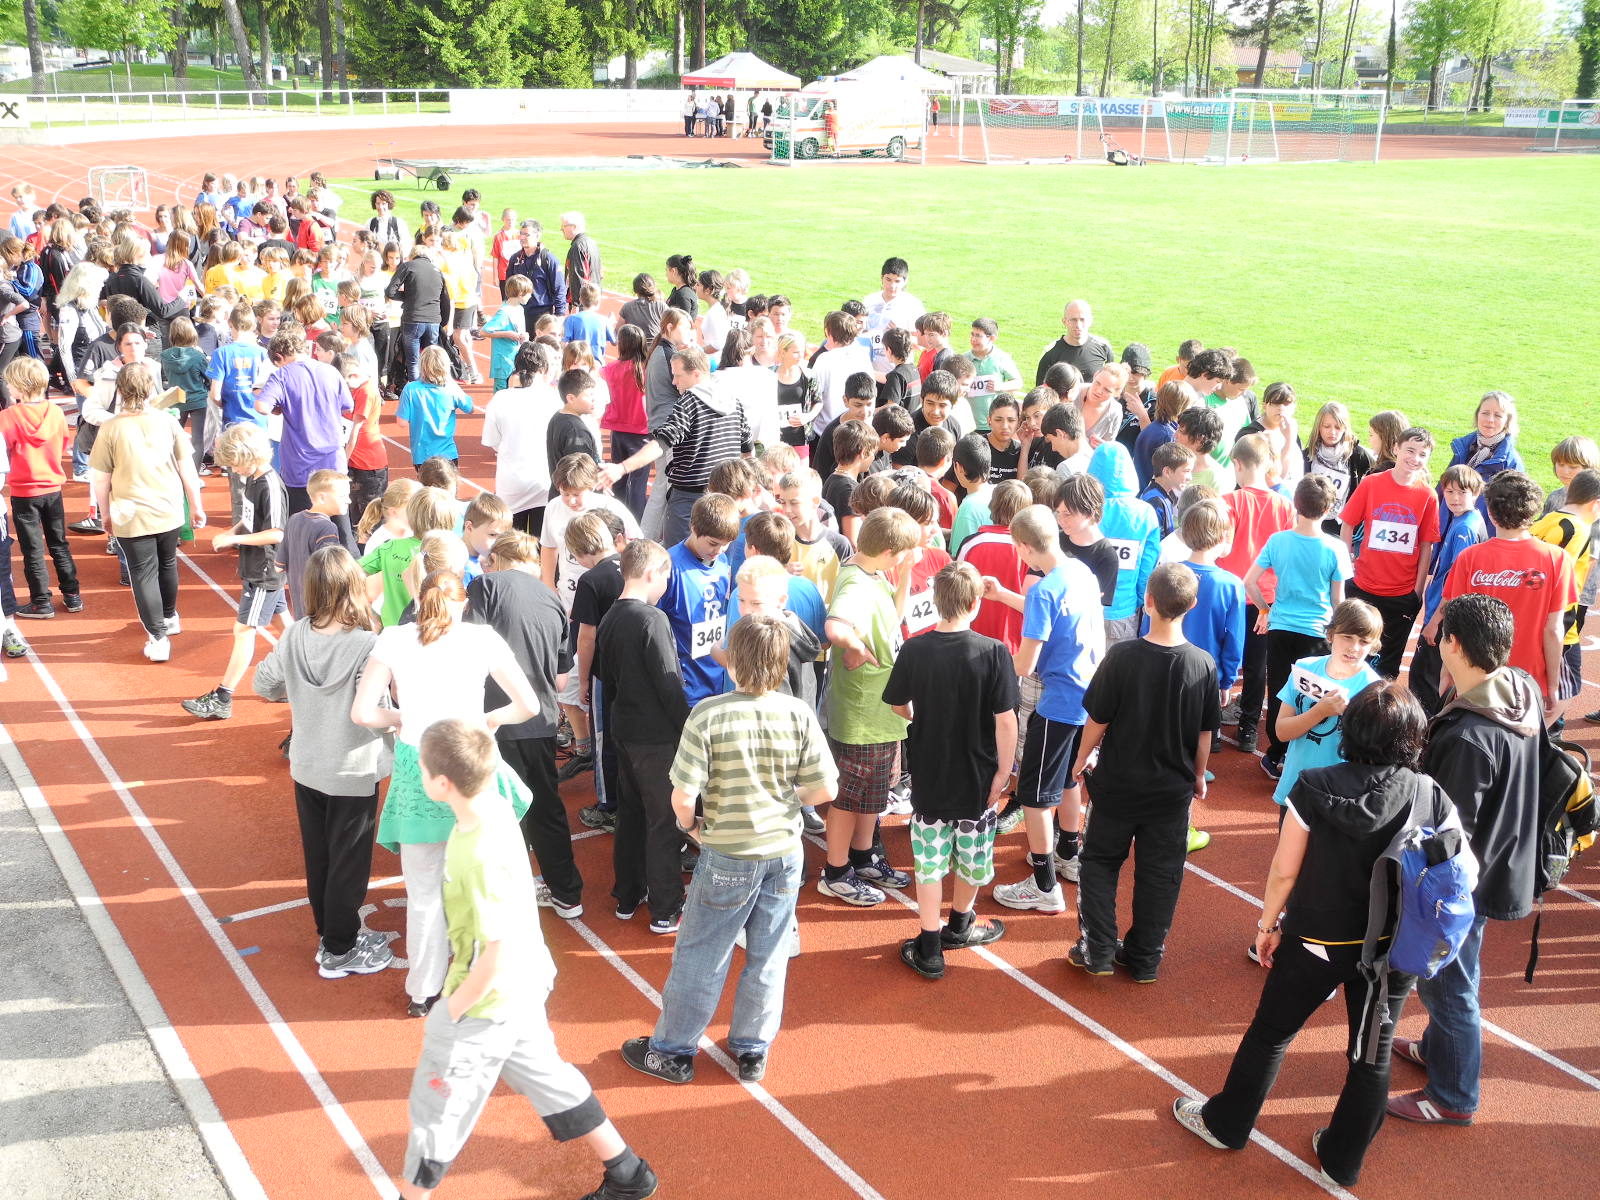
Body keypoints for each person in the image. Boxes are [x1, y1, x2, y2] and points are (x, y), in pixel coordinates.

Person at [1175, 681, 1472, 1188]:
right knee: (1370, 1057)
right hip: (1391, 948)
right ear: (1413, 737)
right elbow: (1457, 870)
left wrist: (1267, 925)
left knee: (1271, 1033)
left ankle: (1226, 1125)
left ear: (1350, 729)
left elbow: (1284, 871)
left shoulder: (1313, 785)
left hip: (1316, 940)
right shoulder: (1430, 794)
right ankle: (1342, 1159)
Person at [397, 719, 658, 1200]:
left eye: (424, 770)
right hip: (527, 980)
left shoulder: (477, 855)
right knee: (547, 1075)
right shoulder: (495, 805)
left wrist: (451, 1010)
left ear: (442, 783)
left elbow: (494, 950)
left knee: (436, 1111)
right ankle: (628, 1174)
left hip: (487, 1002)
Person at [620, 612, 836, 1087]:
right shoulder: (798, 712)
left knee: (701, 953)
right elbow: (825, 789)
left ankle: (672, 1052)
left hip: (727, 853)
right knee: (769, 953)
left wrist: (690, 827)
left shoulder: (708, 714)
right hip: (784, 851)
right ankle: (753, 1049)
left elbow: (682, 795)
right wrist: (786, 799)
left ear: (732, 661)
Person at [351, 571, 542, 1017]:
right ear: (464, 604)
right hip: (473, 770)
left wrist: (398, 719)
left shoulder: (394, 639)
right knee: (485, 888)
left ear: (418, 601)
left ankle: (423, 992)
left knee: (423, 894)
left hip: (420, 771)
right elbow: (529, 706)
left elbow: (362, 713)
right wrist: (492, 720)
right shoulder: (482, 639)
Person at [1388, 594, 1543, 1128]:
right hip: (1506, 857)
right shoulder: (1521, 688)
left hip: (1466, 883)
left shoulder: (1468, 738)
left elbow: (1448, 834)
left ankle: (1453, 1095)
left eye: (1440, 633)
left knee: (1447, 984)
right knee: (1461, 970)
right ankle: (1437, 1049)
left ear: (1453, 643)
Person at [252, 546, 394, 979]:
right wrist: (405, 720)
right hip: (352, 767)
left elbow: (264, 684)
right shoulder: (367, 643)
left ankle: (330, 935)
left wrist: (300, 693)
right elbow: (375, 711)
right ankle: (339, 948)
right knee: (349, 861)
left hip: (308, 762)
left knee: (320, 856)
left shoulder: (295, 634)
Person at [1070, 562, 1217, 980]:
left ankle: (1098, 948)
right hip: (1171, 794)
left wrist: (1080, 760)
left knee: (1099, 863)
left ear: (1147, 601)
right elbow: (1205, 734)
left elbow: (1098, 719)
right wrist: (1199, 775)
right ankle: (1145, 958)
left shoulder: (1122, 656)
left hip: (1117, 787)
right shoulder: (1203, 664)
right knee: (1161, 875)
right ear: (1192, 604)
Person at [886, 563, 1018, 978]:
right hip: (978, 776)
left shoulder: (915, 649)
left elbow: (898, 704)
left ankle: (929, 946)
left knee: (928, 861)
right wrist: (1003, 772)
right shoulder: (994, 652)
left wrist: (919, 717)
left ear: (935, 601)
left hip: (929, 774)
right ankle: (960, 924)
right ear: (976, 602)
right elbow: (1006, 720)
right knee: (973, 855)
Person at [992, 504, 1105, 911]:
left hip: (1057, 701)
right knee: (1070, 777)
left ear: (1024, 547)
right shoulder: (1081, 573)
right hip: (1089, 694)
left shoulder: (1042, 590)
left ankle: (1043, 886)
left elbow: (1025, 664)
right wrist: (1002, 594)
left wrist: (991, 661)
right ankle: (1068, 854)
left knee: (1035, 795)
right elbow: (1053, 612)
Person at [464, 530, 582, 919]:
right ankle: (567, 893)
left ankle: (501, 895)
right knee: (546, 808)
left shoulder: (485, 587)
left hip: (495, 722)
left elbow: (467, 649)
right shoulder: (552, 598)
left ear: (498, 559)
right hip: (542, 721)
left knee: (495, 812)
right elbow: (562, 680)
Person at [817, 507, 921, 906]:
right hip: (862, 714)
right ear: (889, 550)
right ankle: (836, 871)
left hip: (880, 711)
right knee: (849, 798)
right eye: (904, 553)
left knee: (872, 797)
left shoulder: (873, 573)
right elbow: (835, 626)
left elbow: (894, 617)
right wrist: (856, 647)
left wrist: (906, 574)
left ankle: (863, 857)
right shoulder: (856, 585)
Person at [596, 539, 693, 933]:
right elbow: (670, 684)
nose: (667, 585)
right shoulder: (653, 620)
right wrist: (689, 728)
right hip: (655, 739)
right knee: (663, 822)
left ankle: (628, 893)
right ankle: (666, 907)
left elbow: (604, 676)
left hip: (624, 730)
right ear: (652, 573)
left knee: (632, 815)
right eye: (666, 577)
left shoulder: (610, 616)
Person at [88, 362, 205, 661]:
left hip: (129, 511)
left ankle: (157, 636)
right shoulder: (168, 422)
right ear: (151, 387)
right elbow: (187, 467)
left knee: (143, 573)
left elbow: (100, 478)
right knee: (167, 563)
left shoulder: (111, 428)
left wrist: (104, 514)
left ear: (120, 390)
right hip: (168, 505)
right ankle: (169, 617)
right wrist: (196, 505)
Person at [1436, 471, 1574, 718]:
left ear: (1490, 512)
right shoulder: (1557, 559)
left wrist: (1447, 673)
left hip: (1473, 677)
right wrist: (1553, 685)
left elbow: (1452, 623)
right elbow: (1554, 630)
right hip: (1528, 680)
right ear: (1534, 512)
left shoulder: (1470, 557)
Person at [1244, 475, 1353, 777]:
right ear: (1329, 508)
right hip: (1316, 634)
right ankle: (1305, 755)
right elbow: (1338, 599)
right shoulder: (1336, 548)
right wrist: (1339, 633)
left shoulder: (1278, 541)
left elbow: (1250, 582)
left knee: (1281, 691)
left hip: (1280, 629)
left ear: (1296, 504)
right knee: (1312, 694)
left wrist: (1265, 609)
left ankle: (1274, 754)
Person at [181, 423, 288, 721]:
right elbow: (251, 520)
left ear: (249, 456)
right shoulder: (252, 478)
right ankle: (311, 676)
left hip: (264, 570)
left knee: (243, 630)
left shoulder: (269, 485)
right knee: (287, 628)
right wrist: (232, 532)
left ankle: (223, 696)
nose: (232, 469)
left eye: (234, 463)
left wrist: (234, 540)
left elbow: (277, 533)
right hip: (256, 565)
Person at [602, 346, 752, 550]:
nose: (674, 382)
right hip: (727, 500)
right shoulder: (735, 402)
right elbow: (747, 447)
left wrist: (622, 468)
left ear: (696, 374)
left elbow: (662, 443)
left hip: (689, 501)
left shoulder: (688, 402)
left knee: (679, 555)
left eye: (678, 376)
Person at [1222, 435, 1296, 754]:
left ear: (1237, 464)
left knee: (1217, 658)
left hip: (1229, 595)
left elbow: (1221, 546)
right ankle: (1249, 728)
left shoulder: (1228, 501)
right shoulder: (1285, 505)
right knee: (1257, 665)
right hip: (1265, 599)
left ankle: (1208, 727)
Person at [0, 357, 81, 618]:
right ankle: (72, 595)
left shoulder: (8, 417)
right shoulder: (55, 413)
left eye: (10, 383)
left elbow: (3, 452)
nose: (7, 387)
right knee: (59, 543)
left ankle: (41, 601)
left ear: (20, 385)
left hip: (24, 492)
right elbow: (63, 443)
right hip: (52, 488)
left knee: (32, 549)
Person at [1410, 465, 1486, 716]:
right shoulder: (1467, 520)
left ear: (1476, 493)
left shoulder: (1465, 529)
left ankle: (1424, 730)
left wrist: (1435, 621)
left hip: (1445, 615)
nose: (1454, 498)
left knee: (1424, 680)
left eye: (1462, 492)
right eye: (1449, 492)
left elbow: (1457, 582)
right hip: (1450, 613)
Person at [255, 328, 354, 515]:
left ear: (279, 357)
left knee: (302, 523)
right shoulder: (330, 371)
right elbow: (347, 406)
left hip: (299, 466)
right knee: (340, 522)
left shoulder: (281, 376)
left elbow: (262, 406)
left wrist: (279, 407)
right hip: (333, 461)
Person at [1087, 441, 1160, 644]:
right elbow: (1147, 566)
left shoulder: (1081, 509)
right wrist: (1139, 600)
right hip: (1123, 610)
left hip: (1082, 608)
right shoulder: (1145, 513)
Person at [1442, 390, 1524, 523]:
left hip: (1482, 531)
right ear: (1477, 415)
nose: (1490, 420)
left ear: (1507, 421)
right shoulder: (1463, 448)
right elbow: (1443, 489)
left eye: (1498, 415)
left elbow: (1514, 513)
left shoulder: (1511, 463)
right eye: (1485, 413)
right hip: (1450, 526)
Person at [1303, 400, 1373, 537]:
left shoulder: (1357, 455)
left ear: (1345, 428)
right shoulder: (1307, 456)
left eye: (1338, 427)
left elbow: (1379, 473)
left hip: (1341, 528)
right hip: (1310, 524)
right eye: (1327, 426)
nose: (1332, 432)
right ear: (1318, 427)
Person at [398, 346, 474, 468]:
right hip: (448, 454)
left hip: (422, 456)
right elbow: (470, 408)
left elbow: (402, 422)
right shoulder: (451, 388)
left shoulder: (410, 389)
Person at [383, 244, 445, 382]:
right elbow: (444, 298)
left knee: (413, 361)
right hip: (433, 319)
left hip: (413, 318)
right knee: (431, 359)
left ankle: (415, 389)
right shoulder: (438, 271)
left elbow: (390, 291)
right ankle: (431, 386)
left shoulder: (408, 266)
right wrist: (443, 321)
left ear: (412, 256)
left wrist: (408, 298)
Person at [1035, 299, 1113, 388]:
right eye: (1073, 320)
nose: (1078, 325)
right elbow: (1042, 392)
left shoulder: (1104, 348)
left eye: (1082, 319)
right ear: (1064, 321)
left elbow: (1111, 385)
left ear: (1090, 321)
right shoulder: (1050, 353)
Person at [505, 220, 568, 326]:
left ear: (537, 236)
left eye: (527, 234)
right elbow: (508, 285)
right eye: (521, 233)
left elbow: (559, 288)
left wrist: (560, 315)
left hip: (541, 313)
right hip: (518, 311)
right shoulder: (515, 259)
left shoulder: (548, 260)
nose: (522, 237)